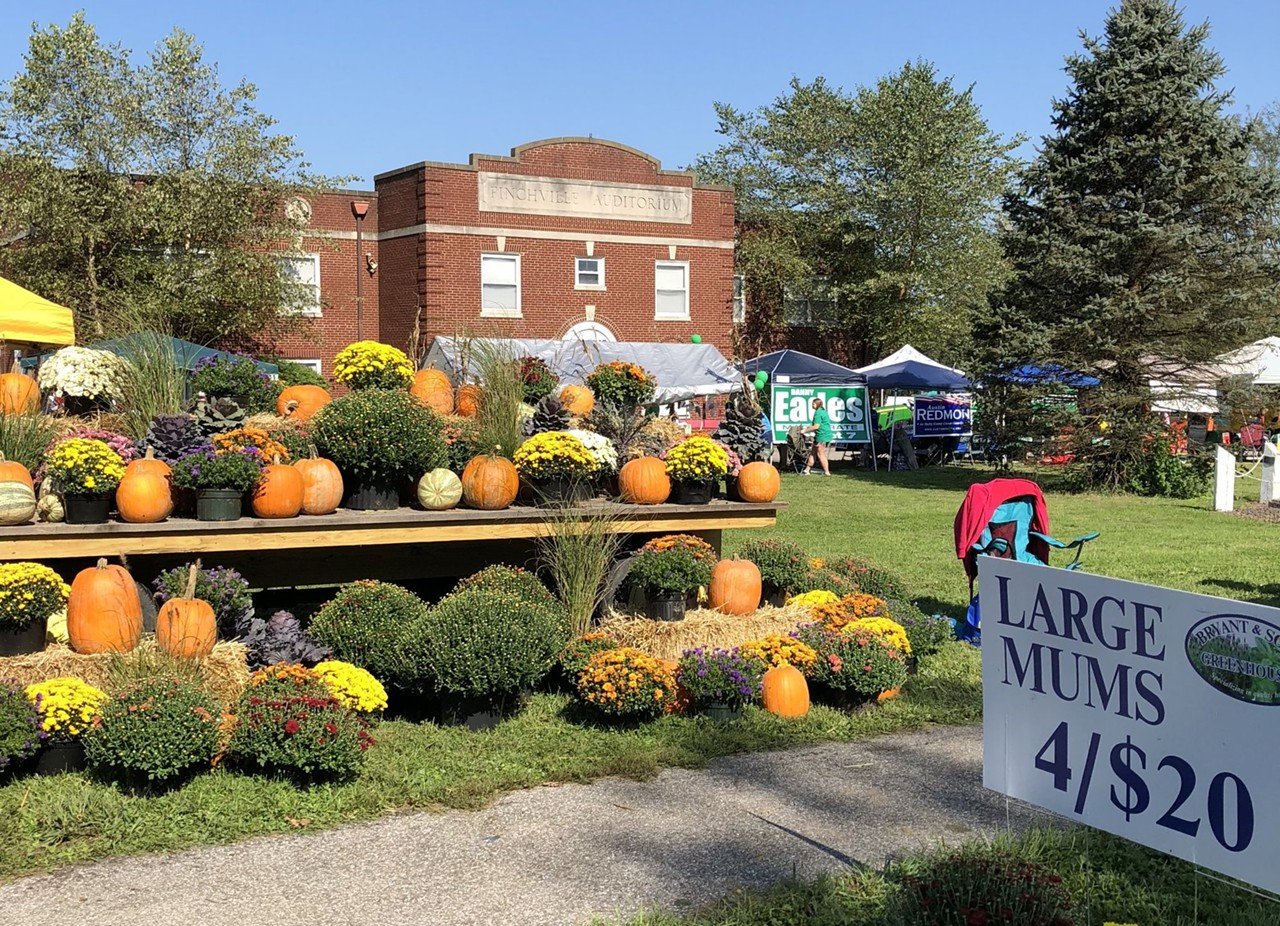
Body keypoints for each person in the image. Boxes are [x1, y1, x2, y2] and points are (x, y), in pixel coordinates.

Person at [802, 397, 832, 476]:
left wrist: (805, 431)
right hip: (825, 434)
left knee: (820, 454)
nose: (812, 405)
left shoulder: (818, 413)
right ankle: (807, 470)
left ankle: (827, 472)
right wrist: (807, 428)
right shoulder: (823, 411)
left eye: (813, 403)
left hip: (822, 436)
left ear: (818, 404)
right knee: (813, 452)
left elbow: (816, 426)